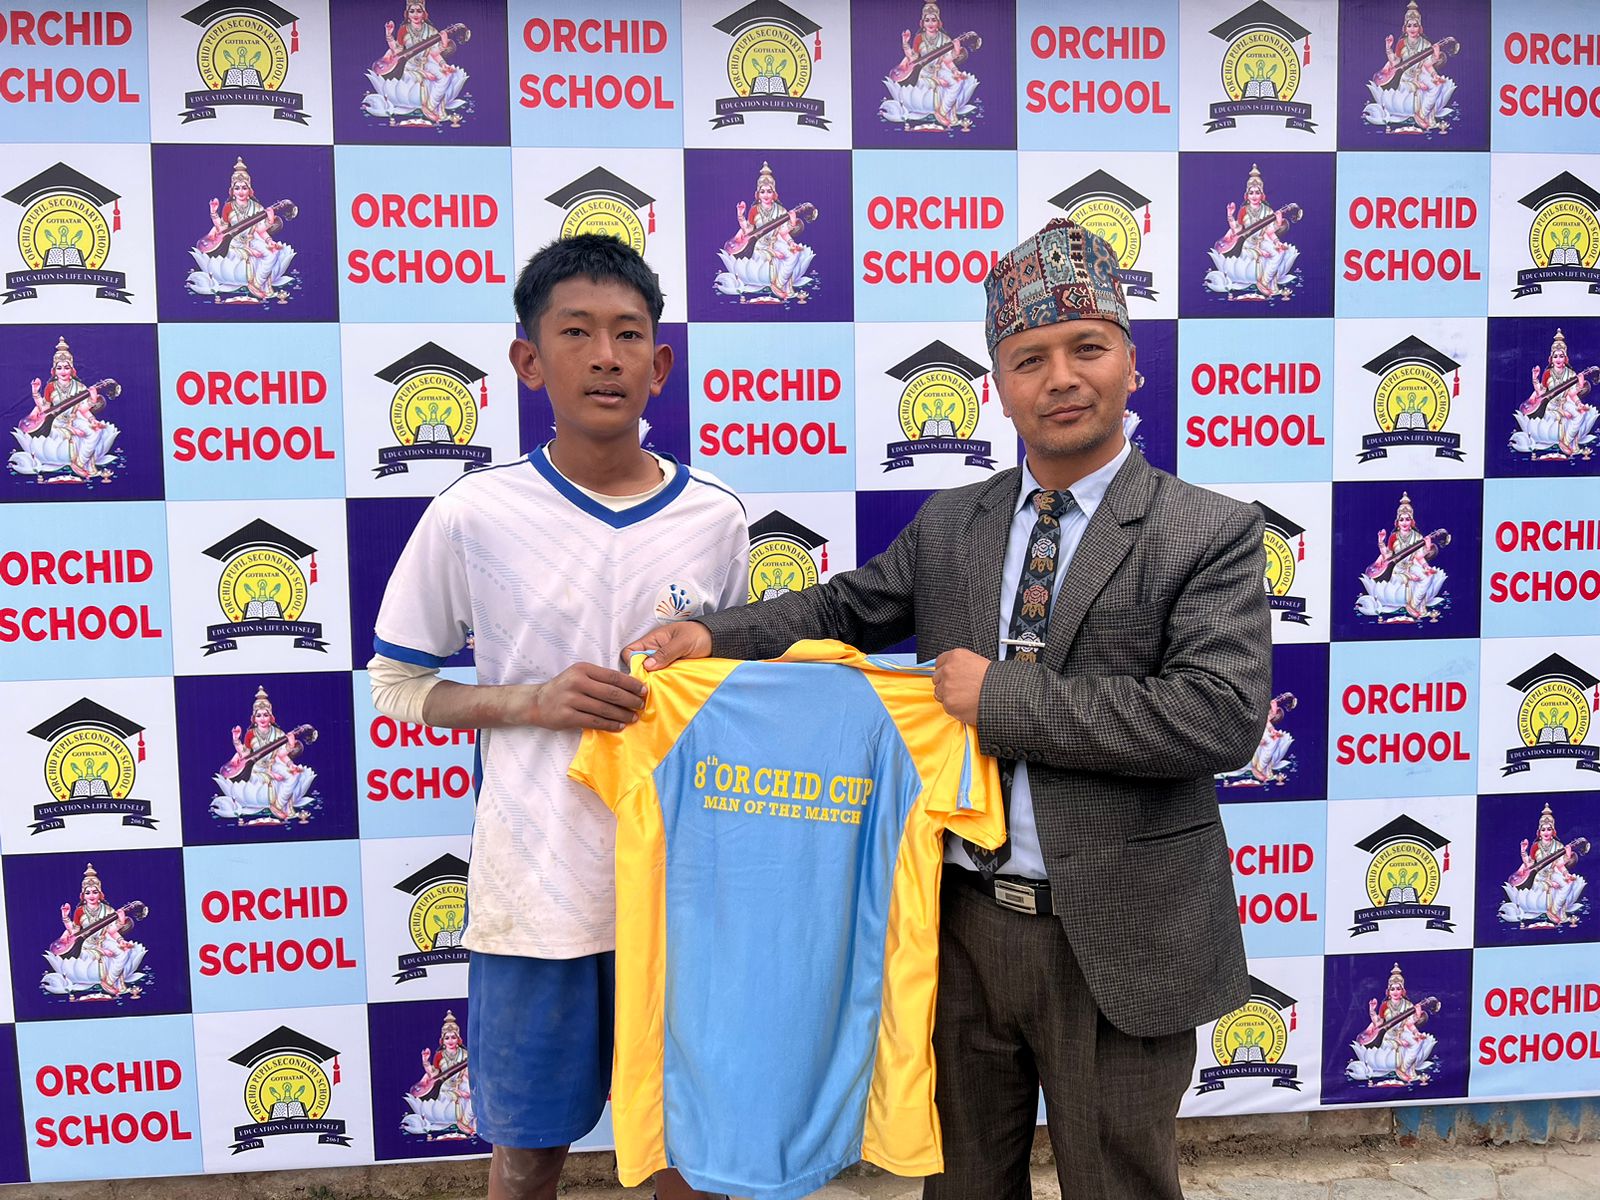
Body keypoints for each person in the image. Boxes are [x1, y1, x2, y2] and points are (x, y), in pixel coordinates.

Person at [632, 218, 1270, 1200]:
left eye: (1086, 348)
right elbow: (841, 610)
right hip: (961, 928)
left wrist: (1000, 697)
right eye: (1029, 359)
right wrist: (711, 636)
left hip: (1118, 937)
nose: (1061, 378)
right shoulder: (954, 525)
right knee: (963, 1185)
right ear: (998, 387)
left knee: (1120, 1185)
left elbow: (1217, 716)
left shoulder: (1206, 532)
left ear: (1132, 363)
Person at [368, 234, 747, 1200]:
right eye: (576, 333)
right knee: (528, 1152)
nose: (606, 357)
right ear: (529, 361)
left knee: (687, 1152)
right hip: (535, 896)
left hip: (679, 895)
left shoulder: (715, 518)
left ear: (661, 364)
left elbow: (735, 693)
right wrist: (531, 701)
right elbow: (398, 686)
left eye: (629, 334)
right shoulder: (474, 512)